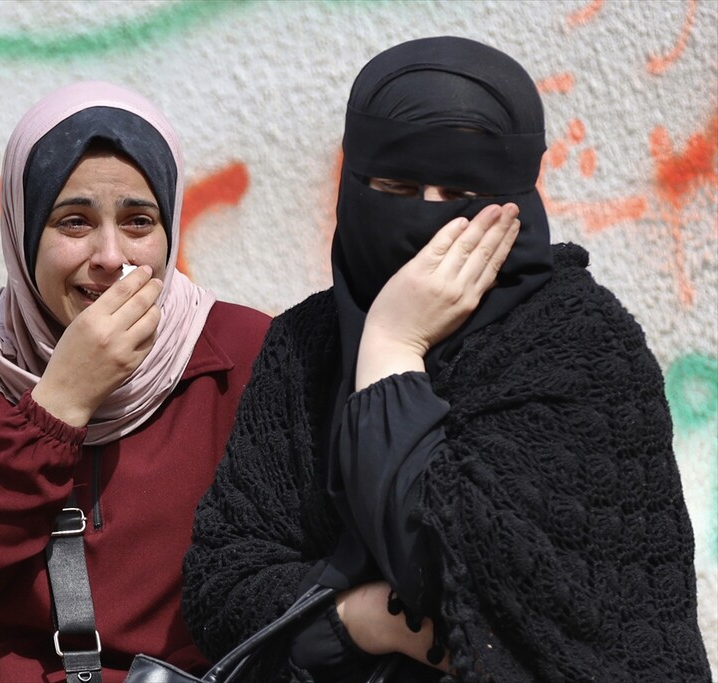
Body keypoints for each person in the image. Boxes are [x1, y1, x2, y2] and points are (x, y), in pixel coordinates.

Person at [182, 37, 712, 683]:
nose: (428, 217)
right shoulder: (306, 343)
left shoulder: (578, 343)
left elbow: (455, 573)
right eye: (396, 187)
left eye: (460, 192)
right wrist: (360, 620)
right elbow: (221, 586)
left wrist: (391, 349)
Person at [0, 81, 270, 683]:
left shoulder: (242, 351)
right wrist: (59, 403)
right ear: (24, 230)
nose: (111, 256)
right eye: (74, 222)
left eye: (138, 221)